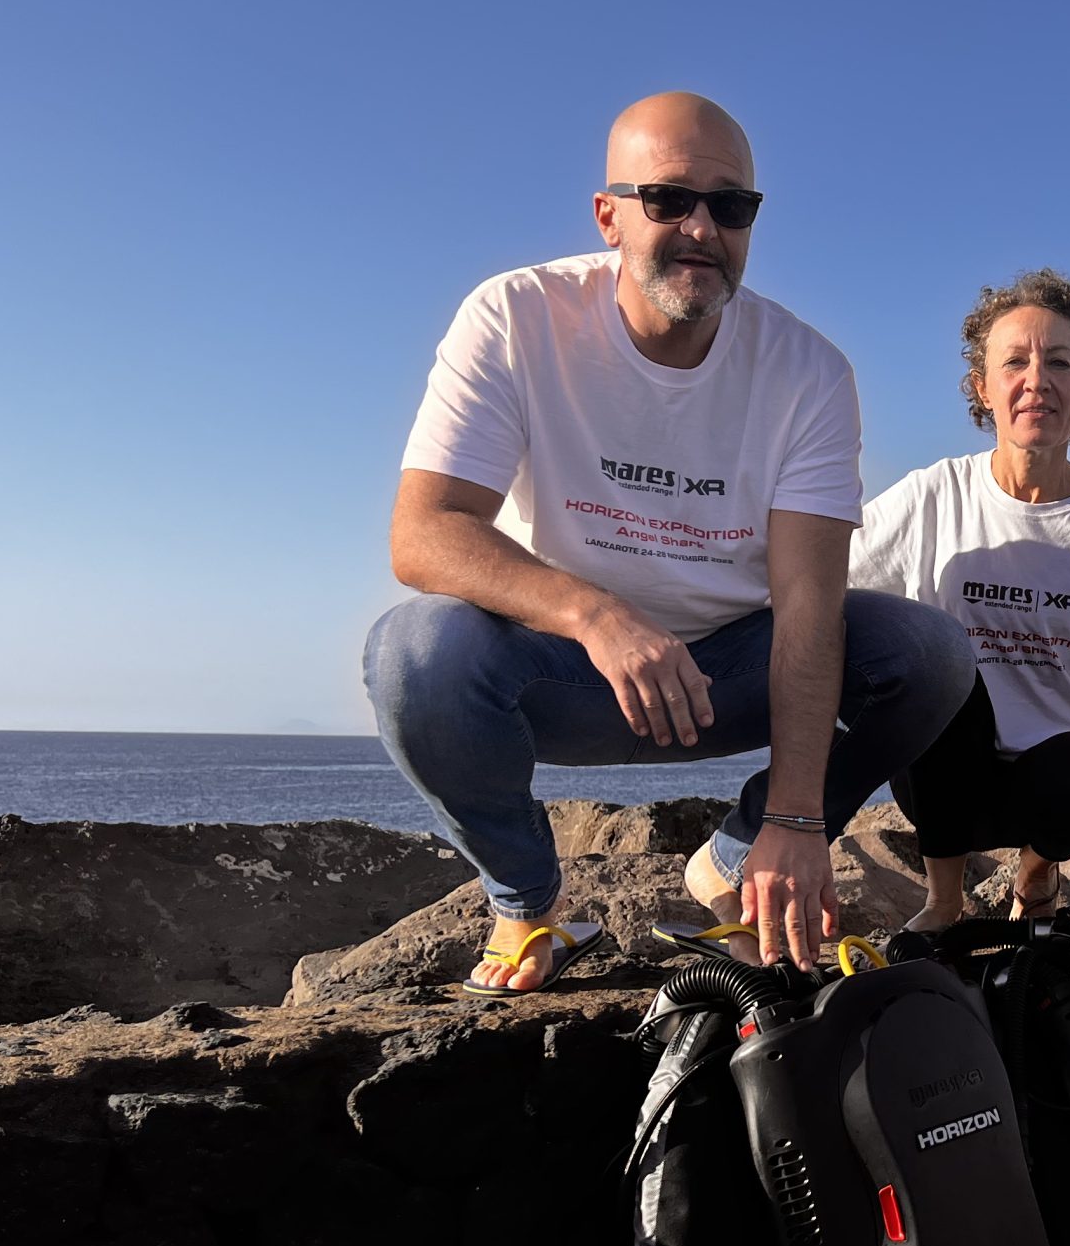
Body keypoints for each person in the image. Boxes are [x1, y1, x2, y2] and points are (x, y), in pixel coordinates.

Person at [365, 92, 974, 985]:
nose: (700, 228)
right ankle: (529, 907)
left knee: (928, 653)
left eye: (730, 207)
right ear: (609, 216)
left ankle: (731, 864)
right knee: (413, 654)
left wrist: (797, 820)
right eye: (668, 201)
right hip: (564, 671)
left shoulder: (808, 371)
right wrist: (594, 614)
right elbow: (424, 535)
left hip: (730, 677)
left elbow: (810, 605)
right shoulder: (515, 316)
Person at [850, 270, 1070, 956]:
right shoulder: (933, 496)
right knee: (934, 669)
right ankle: (943, 898)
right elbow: (821, 581)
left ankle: (1036, 877)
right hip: (943, 775)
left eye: (1059, 363)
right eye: (1014, 361)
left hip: (1056, 783)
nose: (1036, 379)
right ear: (983, 388)